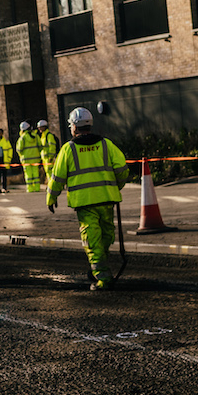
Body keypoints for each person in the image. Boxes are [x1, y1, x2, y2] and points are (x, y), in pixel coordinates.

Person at [47, 108, 129, 290]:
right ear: (90, 124)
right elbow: (122, 169)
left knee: (93, 241)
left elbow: (57, 177)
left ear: (74, 127)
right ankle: (99, 268)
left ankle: (103, 277)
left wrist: (51, 198)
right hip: (107, 200)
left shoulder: (68, 149)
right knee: (105, 236)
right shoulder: (106, 144)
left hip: (85, 204)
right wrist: (116, 186)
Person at [15, 121, 43, 193]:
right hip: (36, 159)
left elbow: (19, 149)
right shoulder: (36, 136)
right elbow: (40, 146)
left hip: (26, 159)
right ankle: (37, 188)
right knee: (36, 174)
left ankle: (30, 189)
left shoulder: (22, 138)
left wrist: (22, 155)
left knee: (28, 174)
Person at [36, 119, 61, 192]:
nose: (39, 129)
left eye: (40, 127)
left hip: (48, 158)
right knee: (48, 173)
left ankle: (52, 187)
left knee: (50, 173)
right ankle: (51, 186)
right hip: (45, 159)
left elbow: (52, 146)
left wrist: (50, 157)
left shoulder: (48, 135)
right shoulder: (43, 136)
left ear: (44, 127)